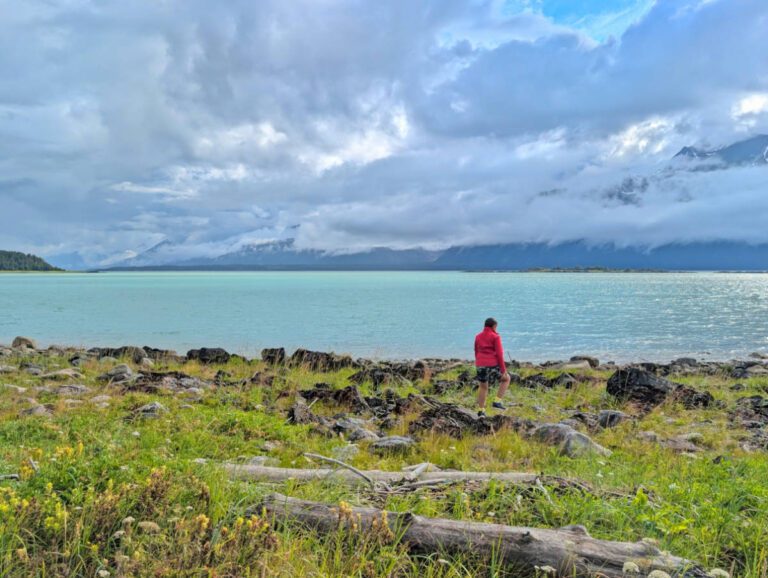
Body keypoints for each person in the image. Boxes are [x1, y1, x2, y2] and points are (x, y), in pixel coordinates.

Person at [474, 317, 511, 417]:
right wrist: (503, 370)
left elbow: (476, 351)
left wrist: (478, 363)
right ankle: (497, 402)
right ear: (494, 326)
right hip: (491, 365)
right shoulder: (495, 337)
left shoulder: (478, 336)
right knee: (506, 379)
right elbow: (499, 354)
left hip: (480, 364)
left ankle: (481, 411)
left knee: (483, 387)